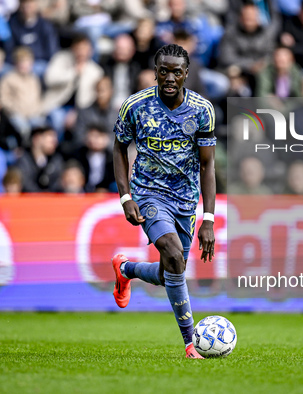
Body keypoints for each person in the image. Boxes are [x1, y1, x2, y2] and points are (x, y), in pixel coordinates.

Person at [111, 44, 216, 359]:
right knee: (170, 251)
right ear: (155, 72)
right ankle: (190, 343)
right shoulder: (135, 106)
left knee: (173, 270)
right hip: (149, 194)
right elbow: (118, 148)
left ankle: (126, 268)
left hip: (185, 200)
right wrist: (126, 195)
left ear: (186, 74)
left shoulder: (202, 111)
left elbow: (208, 164)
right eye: (163, 71)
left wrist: (208, 218)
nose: (170, 77)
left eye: (176, 71)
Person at [7, 0, 59, 76]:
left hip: (40, 62)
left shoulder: (45, 25)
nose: (26, 8)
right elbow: (9, 50)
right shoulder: (12, 24)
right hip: (18, 63)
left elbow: (52, 51)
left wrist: (30, 63)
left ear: (35, 5)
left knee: (43, 70)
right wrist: (20, 62)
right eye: (24, 4)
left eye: (29, 4)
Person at [15, 126, 64, 192]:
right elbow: (24, 183)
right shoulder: (24, 160)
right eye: (50, 136)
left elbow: (58, 183)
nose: (55, 141)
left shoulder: (56, 160)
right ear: (36, 139)